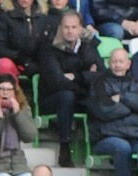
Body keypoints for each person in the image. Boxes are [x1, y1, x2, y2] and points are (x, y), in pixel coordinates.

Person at [86, 48, 138, 176]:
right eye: (114, 61)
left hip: (135, 136)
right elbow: (103, 110)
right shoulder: (99, 83)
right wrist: (132, 106)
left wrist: (122, 98)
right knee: (122, 148)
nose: (117, 65)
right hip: (106, 137)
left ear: (128, 63)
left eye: (121, 61)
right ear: (109, 63)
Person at [37, 12, 103, 167]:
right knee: (67, 96)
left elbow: (101, 74)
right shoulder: (49, 48)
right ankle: (65, 147)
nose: (70, 31)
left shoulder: (89, 45)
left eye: (74, 27)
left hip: (79, 94)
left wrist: (76, 76)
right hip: (52, 98)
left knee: (99, 97)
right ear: (60, 28)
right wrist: (86, 77)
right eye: (66, 27)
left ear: (80, 29)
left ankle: (96, 149)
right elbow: (57, 81)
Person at [0, 0, 49, 82]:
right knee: (4, 64)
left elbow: (47, 46)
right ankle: (9, 92)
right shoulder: (1, 16)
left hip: (33, 63)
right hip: (11, 61)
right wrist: (21, 58)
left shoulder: (43, 18)